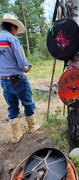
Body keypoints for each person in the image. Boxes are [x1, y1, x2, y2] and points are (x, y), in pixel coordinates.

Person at [0, 13, 40, 143]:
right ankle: (32, 127)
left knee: (12, 107)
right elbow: (22, 61)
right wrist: (26, 68)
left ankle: (15, 135)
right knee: (28, 103)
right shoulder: (12, 40)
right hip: (17, 79)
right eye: (16, 29)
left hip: (3, 80)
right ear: (12, 27)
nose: (16, 32)